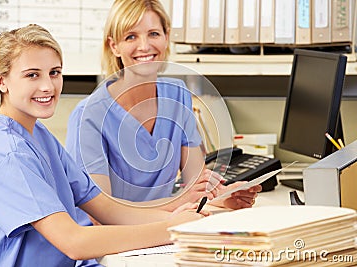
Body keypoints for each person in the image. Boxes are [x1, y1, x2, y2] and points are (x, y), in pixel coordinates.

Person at [0, 24, 209, 267]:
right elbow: (73, 242)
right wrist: (172, 227)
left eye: (54, 72)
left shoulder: (37, 135)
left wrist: (179, 218)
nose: (47, 86)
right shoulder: (7, 153)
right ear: (1, 81)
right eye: (32, 75)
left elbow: (107, 208)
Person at [66, 0, 261, 212]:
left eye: (153, 34)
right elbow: (99, 215)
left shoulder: (177, 94)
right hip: (114, 240)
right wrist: (178, 202)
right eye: (131, 36)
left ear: (166, 37)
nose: (144, 46)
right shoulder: (89, 116)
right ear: (115, 46)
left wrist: (222, 197)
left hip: (162, 230)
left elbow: (196, 183)